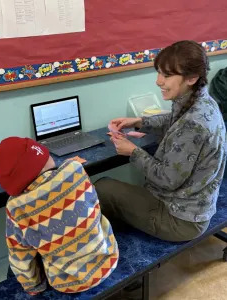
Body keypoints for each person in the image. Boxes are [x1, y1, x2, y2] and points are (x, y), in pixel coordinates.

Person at [95, 40, 227, 243]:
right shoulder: (201, 100)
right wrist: (139, 122)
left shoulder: (194, 124)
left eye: (166, 75)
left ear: (191, 78)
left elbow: (167, 179)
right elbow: (173, 119)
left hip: (180, 220)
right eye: (159, 73)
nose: (158, 81)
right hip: (193, 208)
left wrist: (133, 152)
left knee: (102, 188)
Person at [0, 137, 119, 295]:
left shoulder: (15, 207)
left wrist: (34, 288)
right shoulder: (75, 170)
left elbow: (21, 259)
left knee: (22, 250)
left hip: (66, 283)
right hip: (108, 261)